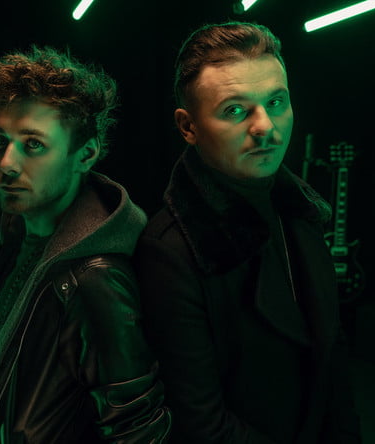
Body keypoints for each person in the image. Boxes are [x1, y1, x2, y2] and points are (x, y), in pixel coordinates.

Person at [133, 21, 361, 443]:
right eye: (235, 110)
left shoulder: (303, 213)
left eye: (276, 102)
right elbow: (201, 423)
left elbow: (332, 362)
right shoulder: (170, 251)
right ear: (188, 127)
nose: (265, 127)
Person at [0, 45, 172, 444]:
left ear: (85, 155)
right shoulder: (17, 239)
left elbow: (140, 432)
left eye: (33, 144)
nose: (6, 163)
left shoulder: (94, 279)